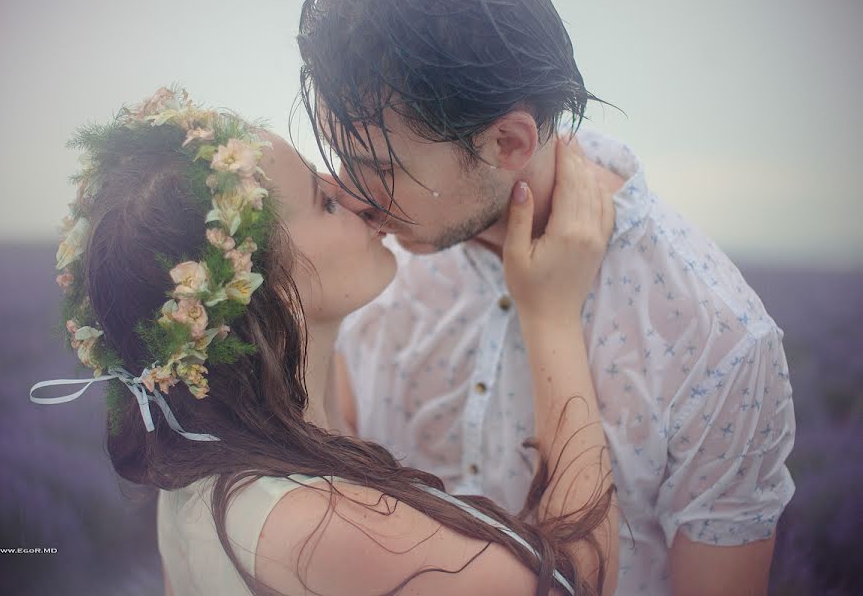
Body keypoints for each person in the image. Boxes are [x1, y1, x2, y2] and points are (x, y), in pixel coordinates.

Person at [30, 88, 619, 595]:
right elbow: (577, 581)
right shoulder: (322, 527)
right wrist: (551, 317)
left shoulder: (196, 471)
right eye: (325, 200)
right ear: (268, 286)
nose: (363, 199)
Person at [296, 0, 797, 594]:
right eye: (338, 159)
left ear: (509, 142)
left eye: (376, 166)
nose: (350, 197)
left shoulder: (719, 339)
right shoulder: (371, 263)